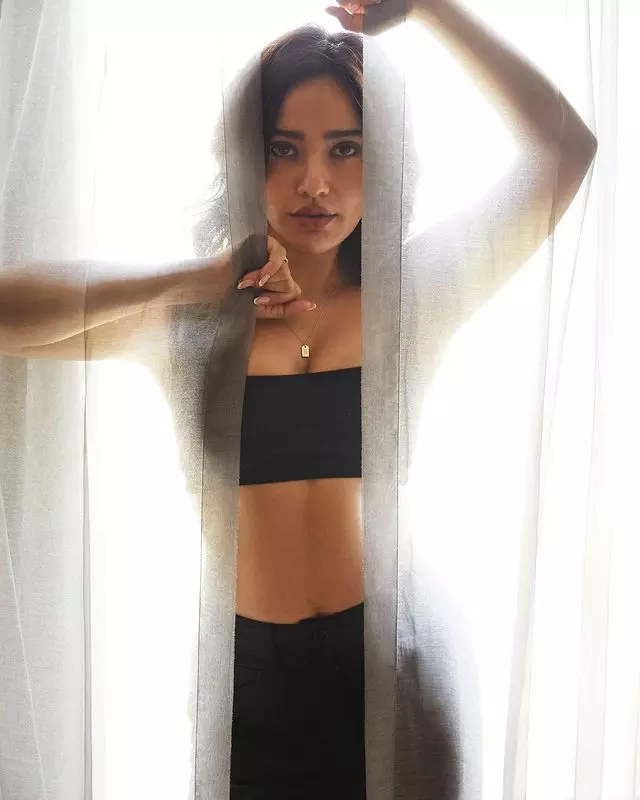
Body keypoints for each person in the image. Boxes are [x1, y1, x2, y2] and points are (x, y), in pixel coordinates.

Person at [0, 0, 597, 796]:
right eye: (285, 149)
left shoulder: (413, 298)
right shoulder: (192, 321)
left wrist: (431, 8)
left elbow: (565, 151)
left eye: (345, 149)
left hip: (398, 672)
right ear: (247, 158)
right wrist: (201, 278)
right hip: (249, 686)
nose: (315, 182)